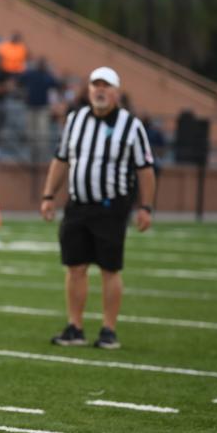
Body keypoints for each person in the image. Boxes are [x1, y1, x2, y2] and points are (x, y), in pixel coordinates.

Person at [40, 67, 156, 350]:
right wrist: (48, 195)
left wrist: (147, 206)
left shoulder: (131, 125)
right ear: (89, 90)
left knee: (109, 269)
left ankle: (108, 329)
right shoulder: (76, 120)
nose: (100, 90)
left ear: (116, 92)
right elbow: (61, 159)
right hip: (77, 205)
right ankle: (75, 327)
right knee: (75, 267)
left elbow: (145, 169)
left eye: (106, 86)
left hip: (111, 207)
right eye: (96, 85)